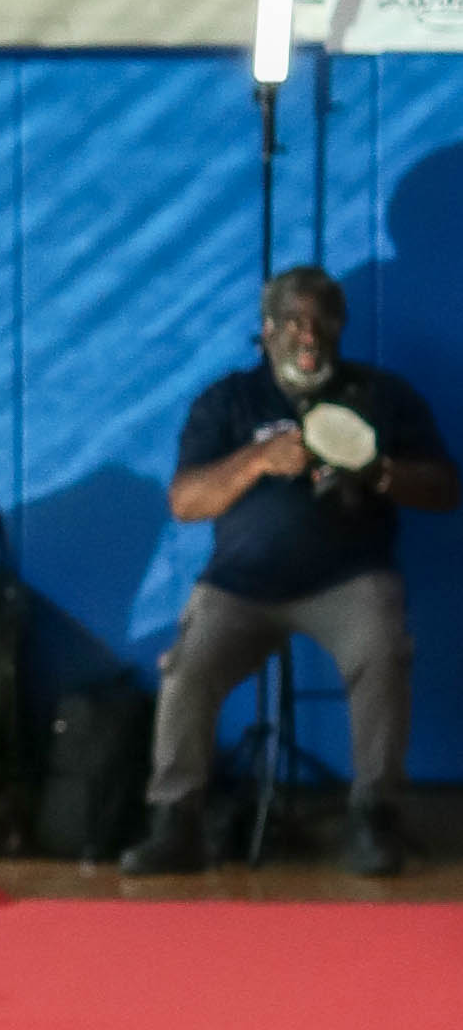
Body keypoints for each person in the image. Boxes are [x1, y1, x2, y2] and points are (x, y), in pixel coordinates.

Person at [124, 263, 455, 881]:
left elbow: (444, 489)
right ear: (269, 330)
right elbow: (185, 501)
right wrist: (258, 459)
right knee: (187, 667)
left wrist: (380, 473)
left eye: (323, 319)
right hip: (241, 588)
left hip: (349, 580)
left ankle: (374, 817)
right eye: (294, 321)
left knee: (383, 653)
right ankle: (176, 823)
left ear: (340, 327)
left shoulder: (382, 395)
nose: (309, 334)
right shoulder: (230, 400)